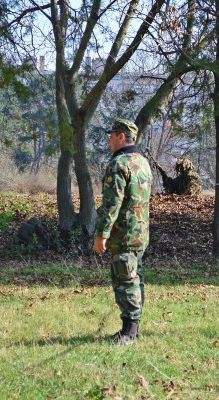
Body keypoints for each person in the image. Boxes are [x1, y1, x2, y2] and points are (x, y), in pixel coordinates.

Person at [94, 118, 152, 346]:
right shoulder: (143, 162)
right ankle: (133, 330)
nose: (109, 140)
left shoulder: (118, 164)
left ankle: (129, 333)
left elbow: (111, 204)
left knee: (125, 281)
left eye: (111, 136)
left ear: (121, 136)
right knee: (136, 279)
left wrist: (102, 234)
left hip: (123, 234)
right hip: (140, 233)